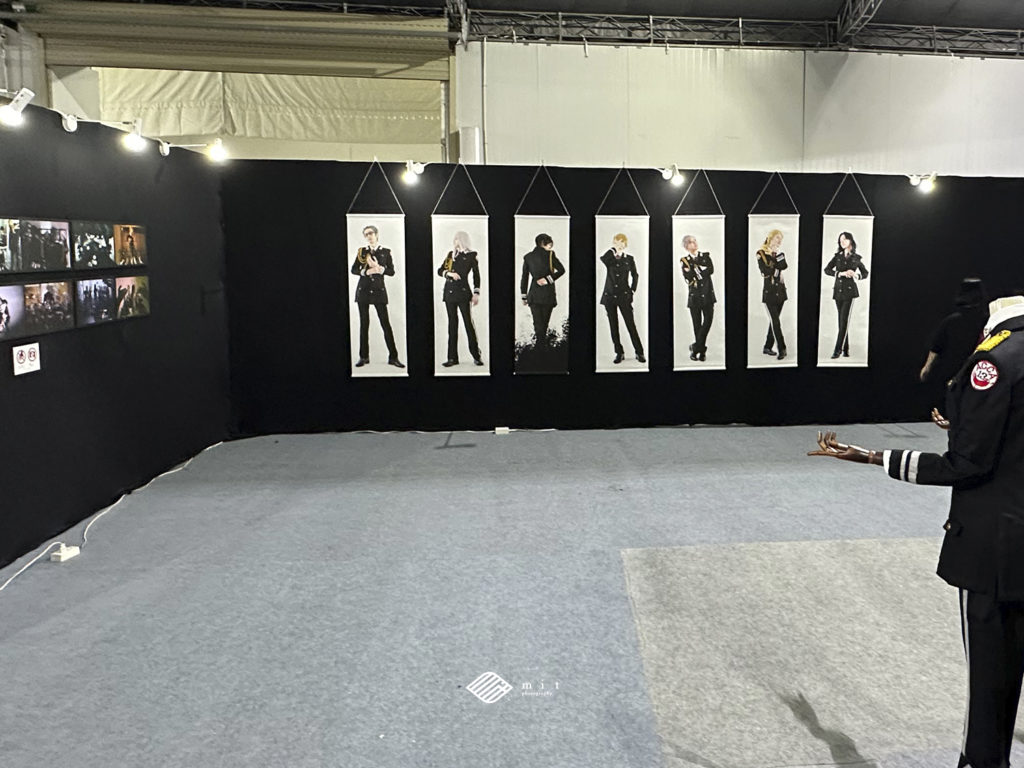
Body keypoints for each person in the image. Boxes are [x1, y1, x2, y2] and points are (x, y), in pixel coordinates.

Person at [809, 291, 1024, 768]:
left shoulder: (994, 358)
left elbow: (966, 463)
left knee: (990, 679)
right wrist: (968, 425)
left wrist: (874, 456)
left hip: (997, 549)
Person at [921, 278, 989, 399]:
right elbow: (936, 346)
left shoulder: (951, 321)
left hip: (959, 373)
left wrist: (927, 368)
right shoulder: (988, 321)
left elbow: (936, 347)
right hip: (974, 374)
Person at [351, 224, 404, 369]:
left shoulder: (385, 252)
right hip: (363, 291)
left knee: (385, 324)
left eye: (371, 233)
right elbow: (353, 269)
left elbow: (391, 271)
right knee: (364, 324)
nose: (369, 236)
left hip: (379, 291)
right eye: (366, 234)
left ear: (376, 234)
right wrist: (365, 272)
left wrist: (380, 269)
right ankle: (364, 356)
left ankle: (393, 357)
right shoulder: (362, 252)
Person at [438, 230, 483, 367]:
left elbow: (476, 275)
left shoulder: (471, 255)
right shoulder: (451, 255)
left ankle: (476, 355)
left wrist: (476, 293)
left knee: (468, 324)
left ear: (463, 240)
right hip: (449, 293)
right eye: (455, 239)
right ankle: (452, 358)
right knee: (452, 325)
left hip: (463, 293)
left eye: (458, 239)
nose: (456, 242)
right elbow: (440, 270)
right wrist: (449, 274)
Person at [600, 233, 645, 364]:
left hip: (624, 296)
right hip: (609, 296)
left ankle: (639, 352)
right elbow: (603, 258)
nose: (619, 245)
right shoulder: (609, 258)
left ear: (625, 244)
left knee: (630, 324)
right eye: (617, 242)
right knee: (613, 325)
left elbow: (635, 275)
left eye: (622, 242)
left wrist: (632, 290)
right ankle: (619, 352)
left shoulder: (629, 259)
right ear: (614, 243)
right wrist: (613, 250)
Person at [823, 231, 869, 359]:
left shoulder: (856, 258)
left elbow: (865, 273)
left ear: (850, 241)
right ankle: (846, 349)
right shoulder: (837, 256)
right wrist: (840, 274)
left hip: (849, 292)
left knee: (843, 321)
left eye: (844, 239)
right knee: (841, 321)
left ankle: (837, 350)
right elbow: (827, 270)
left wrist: (856, 275)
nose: (842, 242)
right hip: (838, 291)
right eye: (840, 240)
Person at [520, 233, 566, 348]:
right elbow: (561, 270)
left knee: (537, 324)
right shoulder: (550, 254)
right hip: (547, 293)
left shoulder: (528, 257)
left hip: (533, 294)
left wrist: (524, 295)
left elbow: (524, 277)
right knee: (544, 324)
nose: (551, 246)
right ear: (543, 243)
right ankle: (541, 347)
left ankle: (539, 347)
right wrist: (548, 279)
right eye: (549, 243)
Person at [680, 235, 716, 362]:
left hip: (708, 295)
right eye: (690, 242)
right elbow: (688, 276)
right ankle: (701, 352)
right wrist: (701, 271)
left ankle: (695, 348)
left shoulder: (705, 256)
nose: (694, 243)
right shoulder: (684, 261)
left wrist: (698, 272)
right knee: (697, 325)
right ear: (686, 246)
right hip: (694, 297)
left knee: (708, 321)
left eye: (695, 241)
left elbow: (711, 269)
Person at [756, 229, 788, 360]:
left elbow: (784, 266)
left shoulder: (780, 253)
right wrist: (777, 271)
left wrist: (777, 254)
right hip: (769, 292)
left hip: (780, 291)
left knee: (775, 321)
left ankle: (767, 347)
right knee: (775, 321)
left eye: (781, 238)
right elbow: (765, 271)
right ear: (771, 238)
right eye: (777, 238)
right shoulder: (761, 253)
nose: (779, 241)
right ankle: (782, 348)